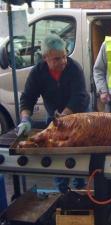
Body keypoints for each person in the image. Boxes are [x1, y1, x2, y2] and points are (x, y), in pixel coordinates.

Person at [17, 33, 90, 193]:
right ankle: (62, 191)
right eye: (57, 59)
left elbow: (79, 96)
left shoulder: (74, 68)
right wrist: (25, 119)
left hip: (78, 115)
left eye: (64, 56)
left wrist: (64, 115)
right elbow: (28, 97)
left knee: (77, 154)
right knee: (56, 154)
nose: (63, 61)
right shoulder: (38, 72)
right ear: (45, 58)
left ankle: (80, 188)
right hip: (55, 116)